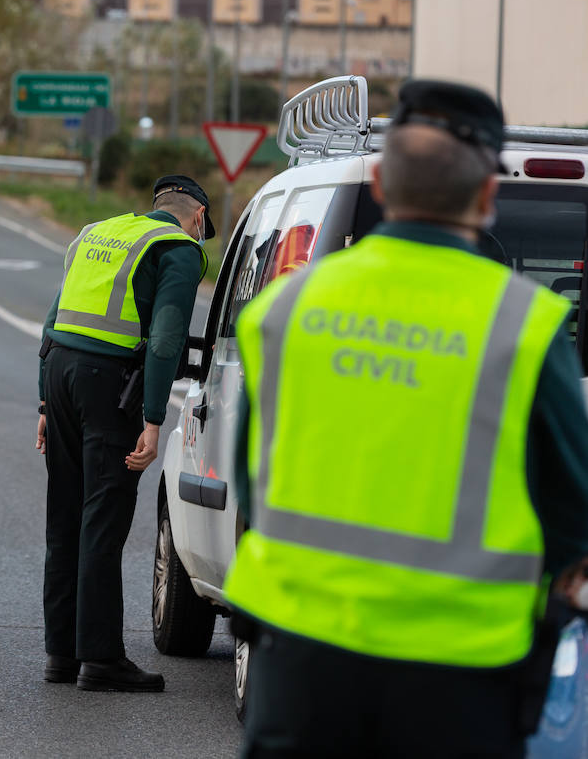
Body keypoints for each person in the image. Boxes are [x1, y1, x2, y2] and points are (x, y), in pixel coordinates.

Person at [224, 79, 588, 758]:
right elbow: (573, 505)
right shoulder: (527, 326)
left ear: (383, 186)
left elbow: (251, 475)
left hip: (300, 659)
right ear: (487, 196)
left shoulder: (287, 307)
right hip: (460, 675)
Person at [36, 175, 212, 691]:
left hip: (61, 374)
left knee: (64, 518)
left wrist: (45, 401)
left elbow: (53, 320)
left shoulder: (99, 233)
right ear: (198, 217)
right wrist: (154, 420)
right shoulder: (178, 250)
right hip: (108, 387)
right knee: (103, 521)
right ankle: (101, 660)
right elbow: (164, 339)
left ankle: (61, 656)